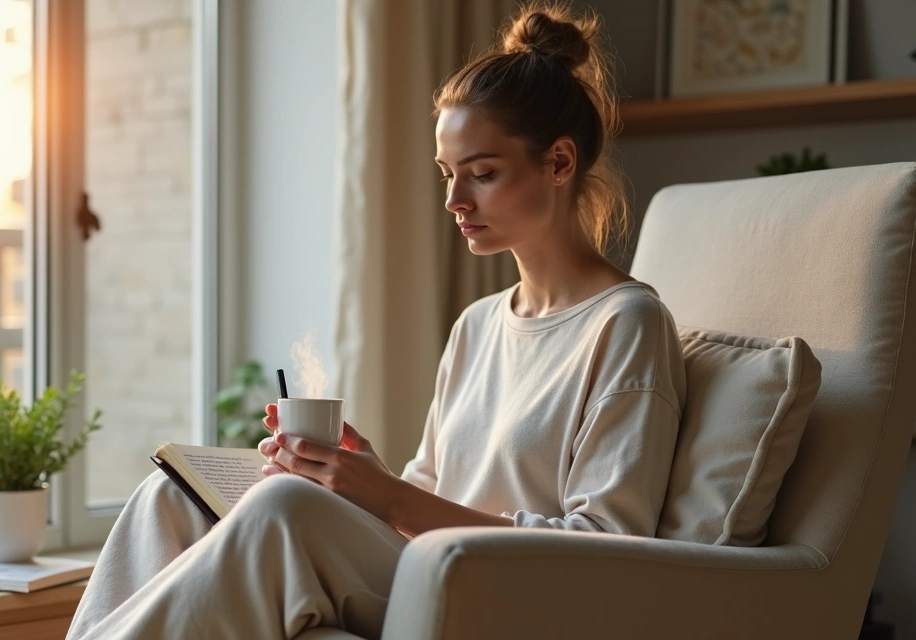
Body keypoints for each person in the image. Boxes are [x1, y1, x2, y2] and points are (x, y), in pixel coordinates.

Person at [66, 3, 685, 638]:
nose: (454, 200)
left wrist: (386, 495)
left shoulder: (627, 325)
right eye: (448, 175)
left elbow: (607, 548)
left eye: (483, 174)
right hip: (424, 564)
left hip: (504, 592)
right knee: (171, 497)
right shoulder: (477, 325)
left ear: (558, 163)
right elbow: (427, 492)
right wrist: (365, 476)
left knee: (283, 506)